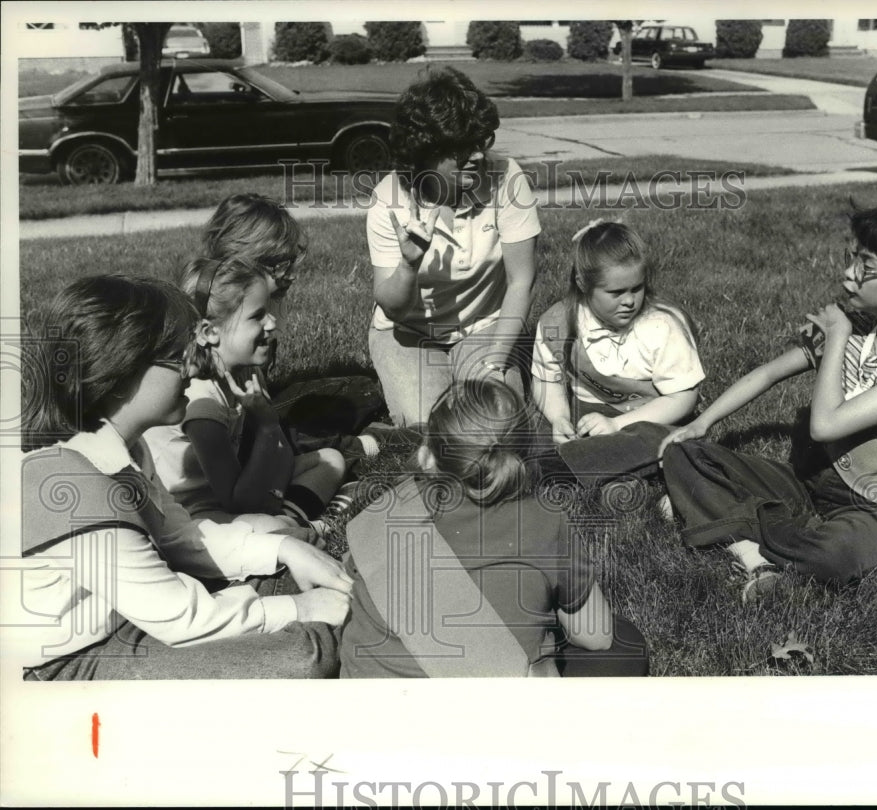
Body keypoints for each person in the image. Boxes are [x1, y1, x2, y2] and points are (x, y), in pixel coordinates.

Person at [17, 275, 352, 680]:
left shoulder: (124, 448)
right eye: (179, 357)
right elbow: (178, 614)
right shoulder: (73, 486)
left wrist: (282, 548)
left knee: (294, 558)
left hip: (135, 615)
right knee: (304, 656)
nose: (195, 366)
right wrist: (296, 611)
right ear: (121, 371)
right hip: (73, 660)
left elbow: (182, 538)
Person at [659, 205, 877, 600]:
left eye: (866, 266)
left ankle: (740, 536)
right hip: (811, 482)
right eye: (852, 259)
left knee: (835, 554)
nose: (849, 274)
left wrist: (838, 338)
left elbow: (824, 426)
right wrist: (701, 423)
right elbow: (767, 373)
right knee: (684, 455)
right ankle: (760, 544)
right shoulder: (856, 327)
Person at [339, 380, 649, 677]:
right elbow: (596, 636)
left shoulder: (389, 506)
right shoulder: (544, 521)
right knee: (624, 642)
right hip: (480, 717)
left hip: (369, 708)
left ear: (427, 456)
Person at [366, 67, 540, 426]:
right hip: (408, 333)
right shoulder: (388, 199)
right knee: (428, 428)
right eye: (461, 149)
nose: (476, 155)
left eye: (480, 141)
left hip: (484, 326)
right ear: (426, 153)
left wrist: (494, 363)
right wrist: (409, 265)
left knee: (493, 420)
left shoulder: (507, 178)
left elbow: (522, 281)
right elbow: (394, 310)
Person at [143, 256, 346, 530]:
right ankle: (298, 523)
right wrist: (266, 429)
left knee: (331, 460)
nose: (272, 323)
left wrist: (271, 490)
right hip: (192, 516)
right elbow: (236, 503)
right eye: (257, 316)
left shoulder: (246, 373)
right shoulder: (203, 404)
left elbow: (281, 456)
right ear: (210, 331)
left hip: (236, 495)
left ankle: (293, 519)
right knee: (265, 526)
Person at [201, 192, 385, 459]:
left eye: (290, 262)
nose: (291, 275)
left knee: (360, 389)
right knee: (288, 434)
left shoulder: (267, 301)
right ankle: (350, 447)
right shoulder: (226, 306)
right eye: (280, 265)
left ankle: (320, 440)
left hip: (254, 404)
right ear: (246, 259)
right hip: (232, 423)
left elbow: (256, 380)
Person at [530, 219, 704, 484]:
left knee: (668, 441)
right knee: (529, 426)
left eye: (637, 288)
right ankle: (618, 477)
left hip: (652, 416)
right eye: (616, 292)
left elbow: (683, 398)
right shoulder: (557, 322)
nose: (630, 301)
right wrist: (560, 418)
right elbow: (547, 380)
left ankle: (567, 471)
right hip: (585, 412)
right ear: (583, 284)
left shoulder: (662, 325)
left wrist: (616, 425)